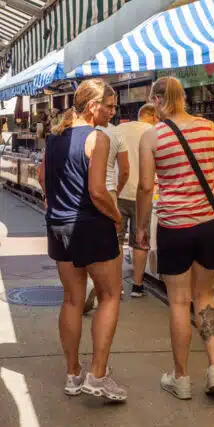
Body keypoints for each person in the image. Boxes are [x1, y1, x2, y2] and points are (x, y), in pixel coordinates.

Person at [136, 77, 214, 399]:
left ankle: (181, 378)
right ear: (183, 98)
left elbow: (145, 187)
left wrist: (141, 227)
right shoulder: (209, 129)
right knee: (206, 297)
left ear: (156, 100)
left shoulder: (152, 137)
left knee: (180, 303)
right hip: (208, 224)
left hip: (173, 227)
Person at [38, 79, 126, 402]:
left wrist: (54, 200)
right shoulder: (97, 139)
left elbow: (39, 175)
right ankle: (98, 374)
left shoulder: (55, 139)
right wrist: (117, 217)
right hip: (92, 225)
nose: (113, 113)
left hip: (60, 227)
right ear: (93, 107)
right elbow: (98, 191)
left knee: (72, 300)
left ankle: (73, 374)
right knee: (110, 296)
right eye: (110, 107)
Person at [109, 104, 158, 297]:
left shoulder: (118, 130)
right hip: (143, 195)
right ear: (153, 116)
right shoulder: (154, 132)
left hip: (119, 193)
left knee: (117, 241)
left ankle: (117, 285)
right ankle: (137, 286)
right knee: (141, 241)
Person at [82, 118, 129, 314]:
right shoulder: (116, 133)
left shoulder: (81, 132)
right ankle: (113, 286)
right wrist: (116, 192)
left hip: (83, 191)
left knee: (86, 239)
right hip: (107, 190)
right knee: (112, 243)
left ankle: (90, 282)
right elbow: (125, 170)